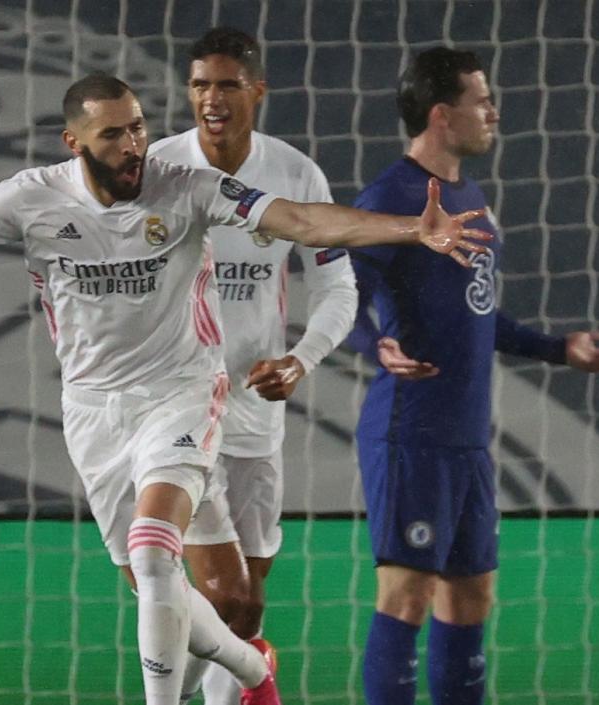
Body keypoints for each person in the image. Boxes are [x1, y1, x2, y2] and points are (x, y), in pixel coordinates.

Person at [0, 74, 491, 705]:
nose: (134, 142)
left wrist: (405, 228)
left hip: (183, 391)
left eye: (140, 125)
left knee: (154, 558)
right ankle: (253, 671)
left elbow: (302, 220)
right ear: (74, 140)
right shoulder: (30, 198)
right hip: (93, 412)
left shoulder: (185, 187)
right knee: (172, 598)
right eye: (114, 132)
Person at [345, 48, 599, 705]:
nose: (493, 110)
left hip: (467, 438)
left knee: (471, 594)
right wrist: (376, 342)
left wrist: (561, 349)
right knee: (407, 592)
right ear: (442, 114)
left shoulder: (471, 198)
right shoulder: (392, 196)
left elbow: (477, 314)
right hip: (410, 431)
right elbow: (340, 292)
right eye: (481, 99)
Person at [148, 27, 359, 705]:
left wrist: (300, 360)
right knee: (195, 581)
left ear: (257, 91)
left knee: (247, 597)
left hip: (253, 407)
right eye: (201, 84)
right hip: (173, 404)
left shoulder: (294, 175)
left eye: (228, 85)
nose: (212, 98)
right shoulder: (156, 169)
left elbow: (339, 287)